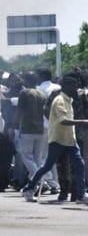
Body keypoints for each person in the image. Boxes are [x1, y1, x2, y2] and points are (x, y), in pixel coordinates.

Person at [22, 74, 88, 203]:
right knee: (47, 166)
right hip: (58, 140)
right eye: (74, 86)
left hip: (70, 140)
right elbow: (63, 121)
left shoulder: (69, 100)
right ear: (67, 86)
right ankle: (28, 189)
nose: (76, 88)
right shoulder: (59, 101)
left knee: (80, 165)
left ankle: (81, 195)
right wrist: (83, 122)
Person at [35, 67, 61, 193]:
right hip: (58, 126)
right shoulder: (58, 88)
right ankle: (54, 183)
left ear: (40, 77)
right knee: (53, 157)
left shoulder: (38, 90)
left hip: (44, 127)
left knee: (43, 156)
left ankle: (47, 182)